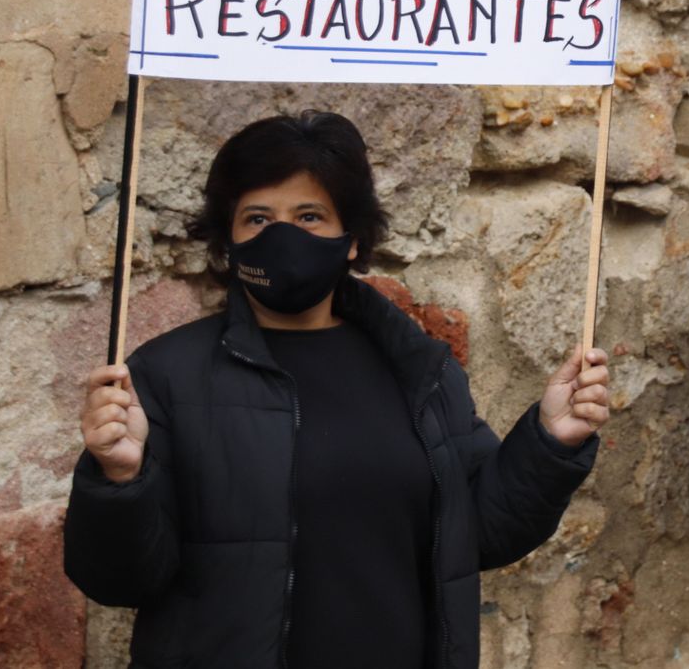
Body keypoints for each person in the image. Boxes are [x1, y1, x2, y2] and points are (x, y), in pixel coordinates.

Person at [64, 111, 610, 669]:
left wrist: (549, 443)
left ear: (351, 239)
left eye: (309, 216)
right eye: (257, 218)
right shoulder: (165, 374)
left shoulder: (420, 369)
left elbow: (479, 533)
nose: (282, 236)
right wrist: (118, 479)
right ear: (229, 239)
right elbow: (119, 579)